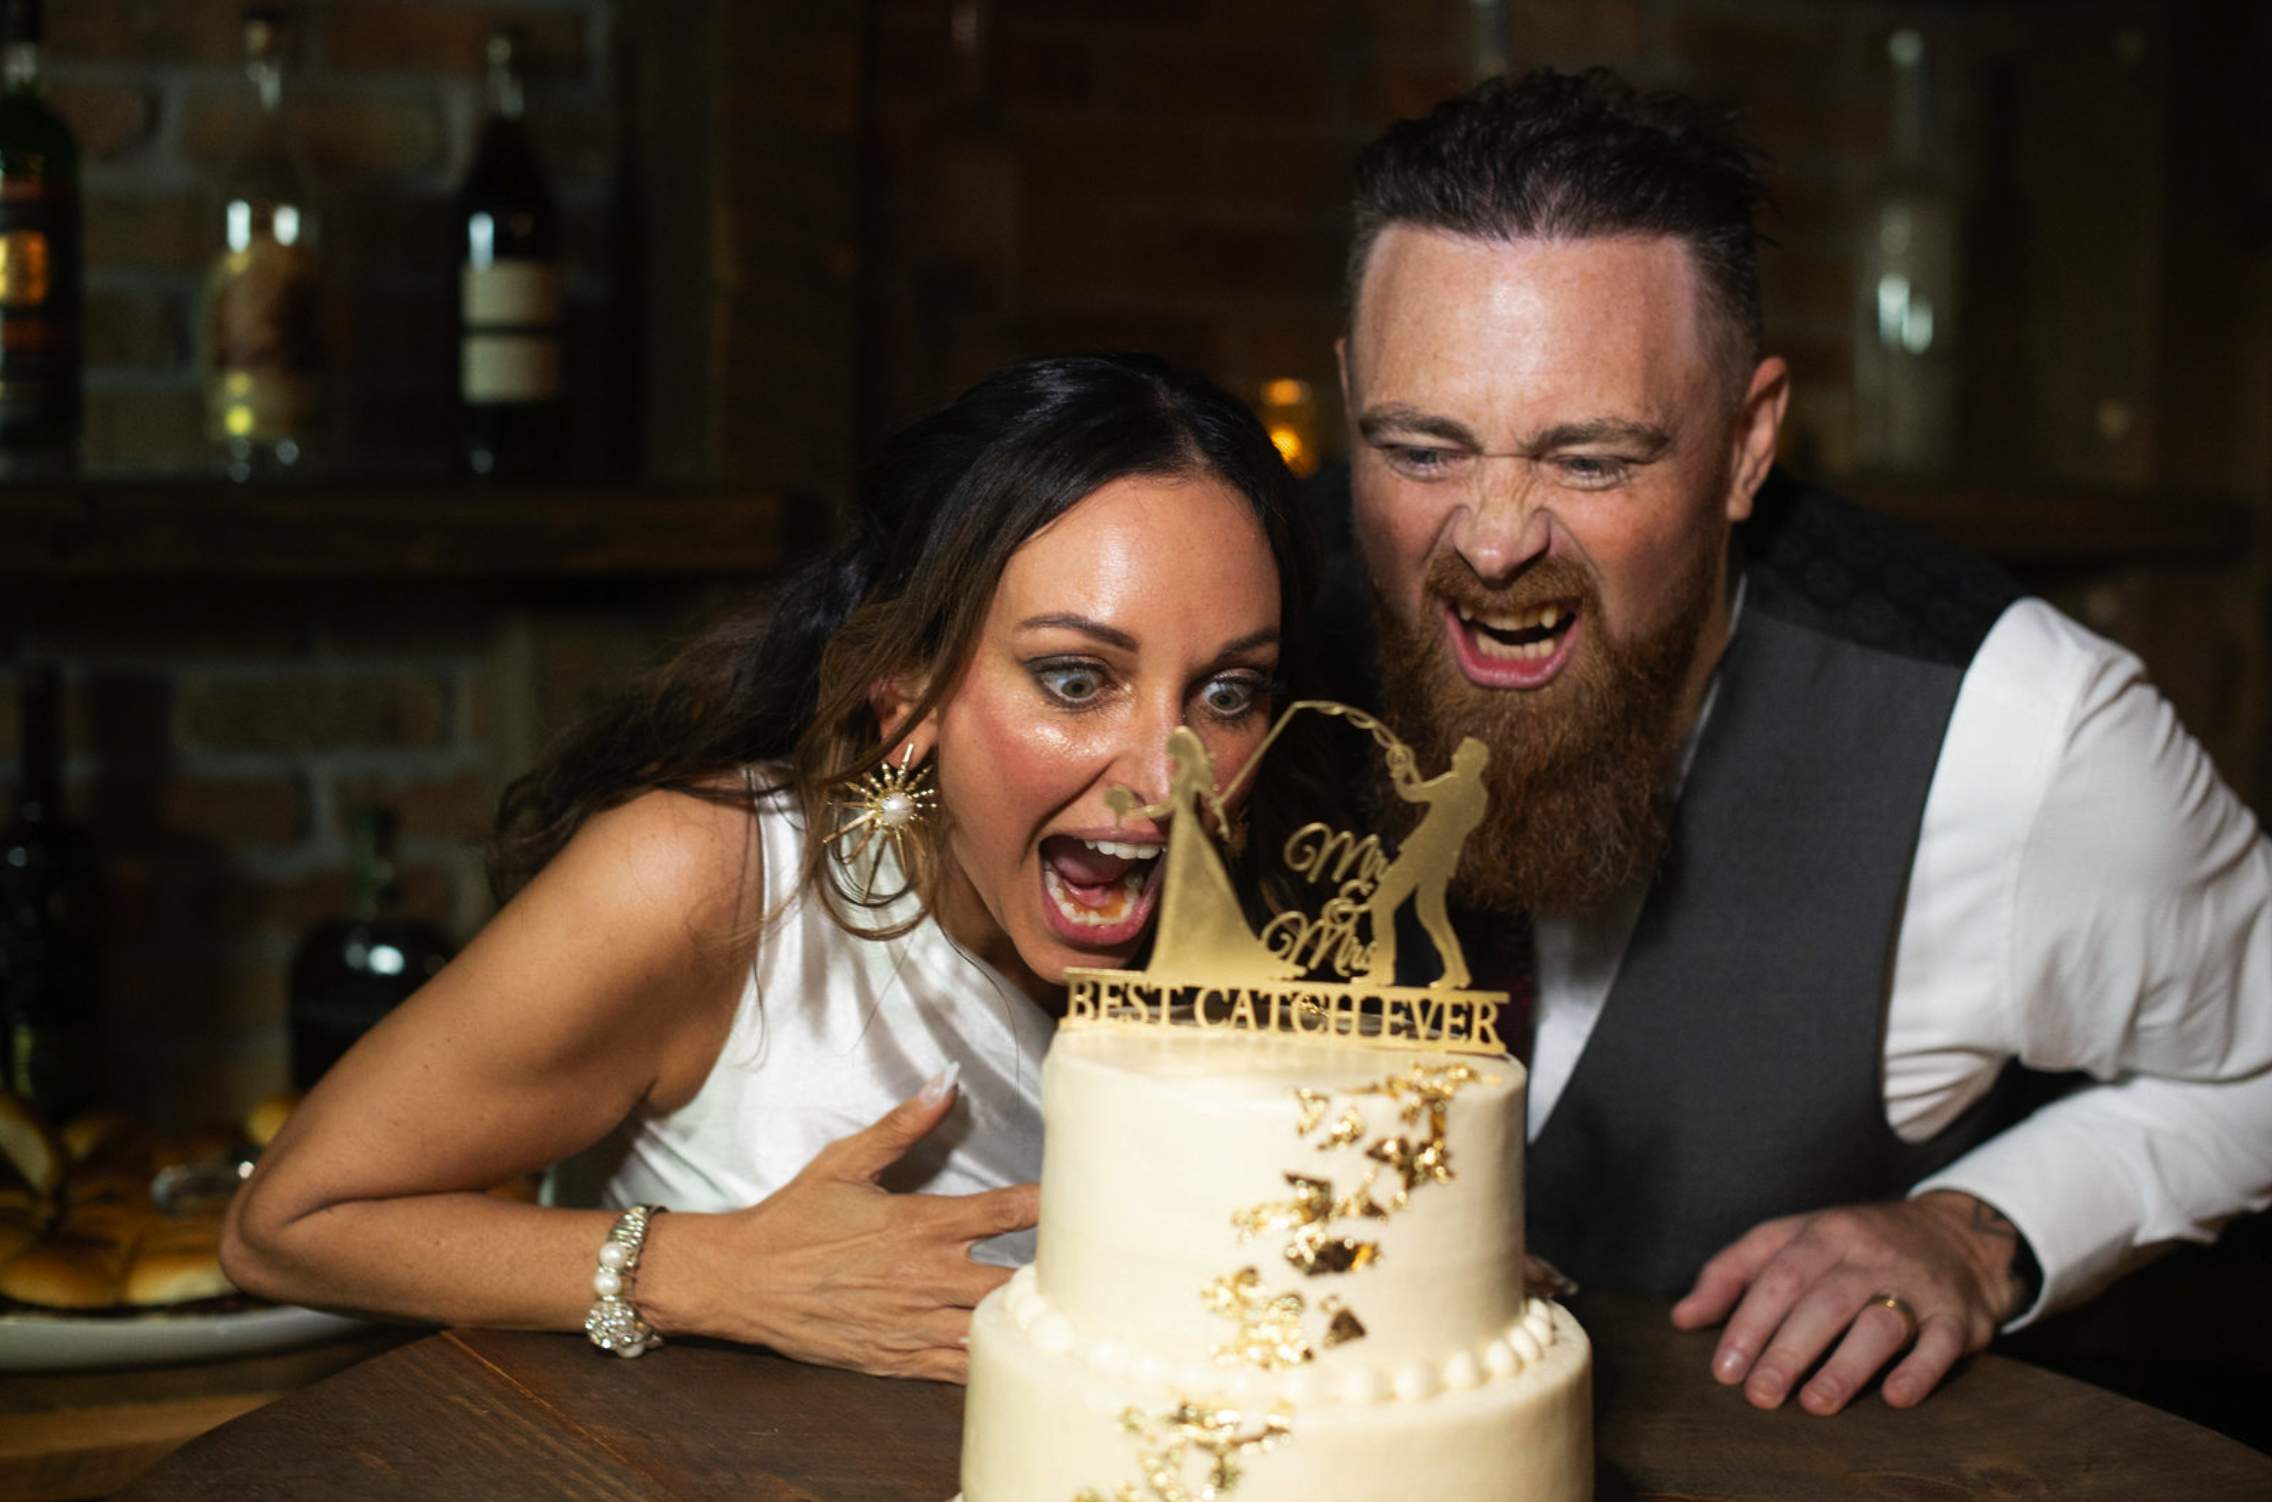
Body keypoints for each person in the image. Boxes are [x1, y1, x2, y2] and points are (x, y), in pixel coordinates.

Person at [1316, 68, 2272, 1417]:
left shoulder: (2011, 734)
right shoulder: (1237, 636)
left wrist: (1980, 1230)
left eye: (1590, 459)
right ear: (1351, 398)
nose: (1491, 538)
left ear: (1748, 442)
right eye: (1421, 447)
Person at [222, 352, 1319, 1382]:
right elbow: (288, 1226)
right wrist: (717, 1273)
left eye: (1229, 694)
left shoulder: (1280, 937)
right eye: (1076, 679)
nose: (1169, 777)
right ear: (909, 691)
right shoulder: (712, 876)